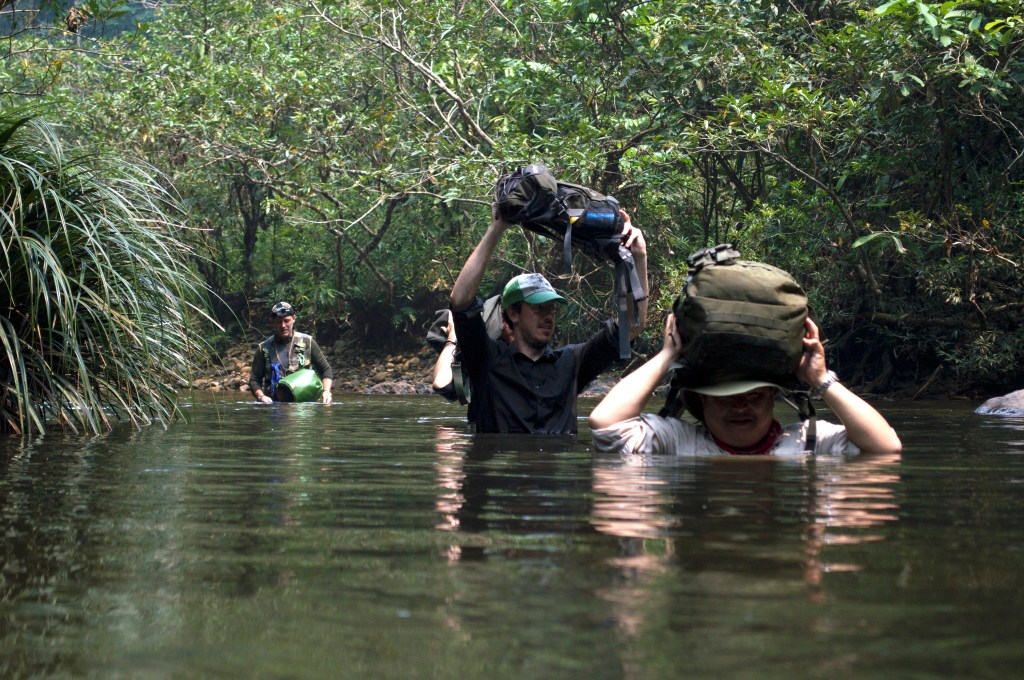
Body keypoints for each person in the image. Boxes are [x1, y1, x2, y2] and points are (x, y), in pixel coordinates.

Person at [449, 207, 649, 434]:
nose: (548, 316)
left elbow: (632, 327)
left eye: (551, 308)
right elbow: (461, 300)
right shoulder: (487, 360)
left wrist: (639, 257)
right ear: (513, 313)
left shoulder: (571, 363)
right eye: (538, 308)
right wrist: (498, 226)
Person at [589, 314, 902, 456]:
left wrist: (820, 379)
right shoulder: (676, 440)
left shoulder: (808, 440)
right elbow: (605, 424)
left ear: (771, 398)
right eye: (726, 397)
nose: (740, 406)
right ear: (702, 401)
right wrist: (668, 354)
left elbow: (886, 447)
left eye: (753, 395)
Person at [249, 301, 334, 404]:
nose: (283, 325)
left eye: (287, 321)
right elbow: (254, 380)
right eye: (279, 322)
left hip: (303, 407)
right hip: (274, 408)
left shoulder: (308, 342)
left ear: (294, 319)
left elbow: (326, 370)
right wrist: (261, 396)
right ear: (272, 322)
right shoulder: (263, 349)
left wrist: (326, 392)